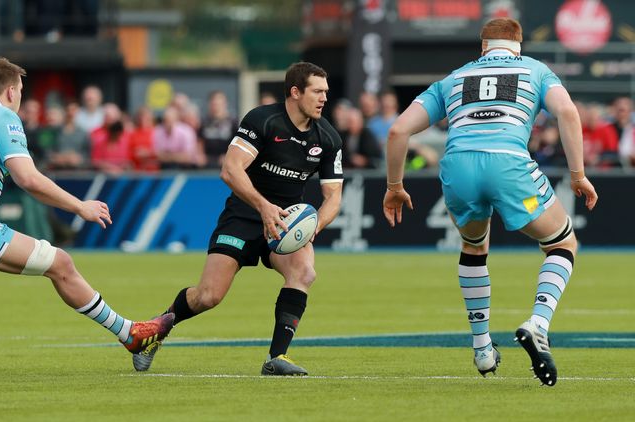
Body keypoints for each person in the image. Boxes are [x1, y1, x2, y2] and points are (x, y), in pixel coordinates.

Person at [0, 57, 173, 379]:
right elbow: (27, 179)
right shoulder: (2, 118)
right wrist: (79, 206)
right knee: (61, 264)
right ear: (11, 91)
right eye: (22, 90)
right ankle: (131, 336)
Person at [382, 19, 597, 386]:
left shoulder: (454, 77)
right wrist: (577, 176)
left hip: (459, 167)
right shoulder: (534, 69)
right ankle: (538, 324)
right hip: (507, 162)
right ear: (519, 46)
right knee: (562, 243)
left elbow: (399, 130)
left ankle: (482, 350)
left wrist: (394, 185)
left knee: (474, 246)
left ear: (482, 47)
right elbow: (568, 113)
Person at [131, 62, 343, 376]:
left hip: (285, 222)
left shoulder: (328, 137)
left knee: (304, 273)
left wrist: (314, 228)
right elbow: (230, 170)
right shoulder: (263, 120)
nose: (324, 98)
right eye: (317, 91)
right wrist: (263, 206)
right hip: (243, 214)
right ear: (295, 92)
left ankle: (277, 358)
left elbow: (333, 197)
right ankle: (159, 327)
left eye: (326, 91)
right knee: (209, 296)